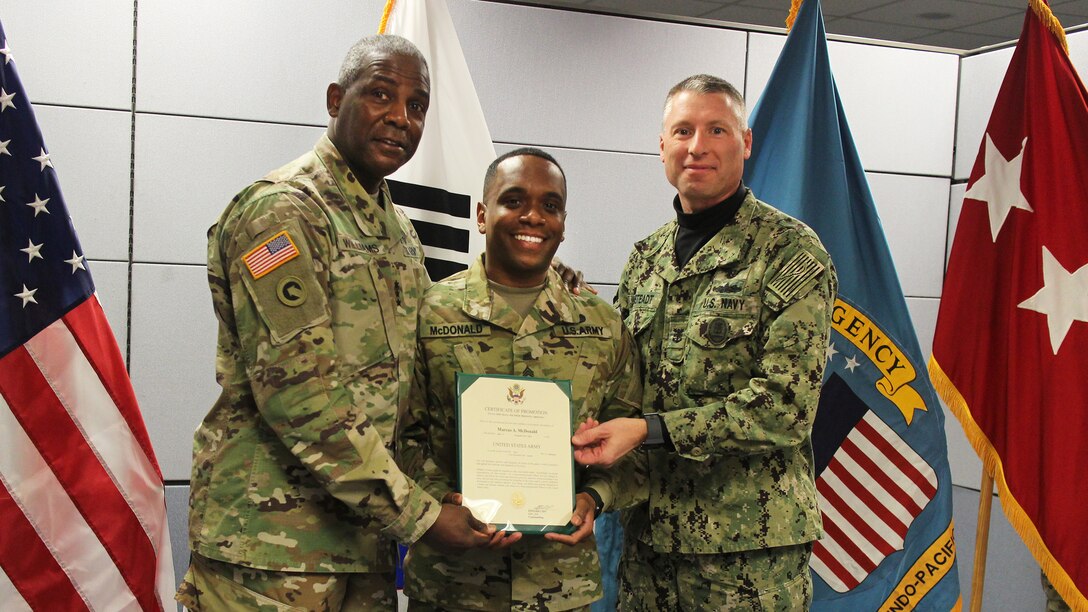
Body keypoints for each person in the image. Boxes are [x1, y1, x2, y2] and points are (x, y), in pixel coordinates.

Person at [177, 34, 495, 610]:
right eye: (380, 94)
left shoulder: (396, 230)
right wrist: (420, 515)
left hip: (362, 545)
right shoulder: (282, 211)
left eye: (416, 105)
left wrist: (541, 281)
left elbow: (419, 370)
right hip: (270, 552)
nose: (400, 118)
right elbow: (300, 393)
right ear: (334, 99)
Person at [571, 74, 837, 610]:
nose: (698, 146)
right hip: (648, 549)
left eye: (716, 129)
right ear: (662, 145)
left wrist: (650, 429)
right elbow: (623, 389)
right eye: (683, 130)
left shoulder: (789, 251)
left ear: (746, 142)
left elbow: (785, 408)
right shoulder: (646, 259)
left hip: (745, 558)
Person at [399, 148, 646, 611]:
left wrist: (595, 497)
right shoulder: (428, 314)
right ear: (481, 214)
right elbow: (400, 437)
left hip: (560, 587)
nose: (533, 217)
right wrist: (442, 500)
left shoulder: (602, 325)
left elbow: (631, 446)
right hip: (451, 586)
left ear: (564, 222)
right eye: (513, 201)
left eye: (550, 206)